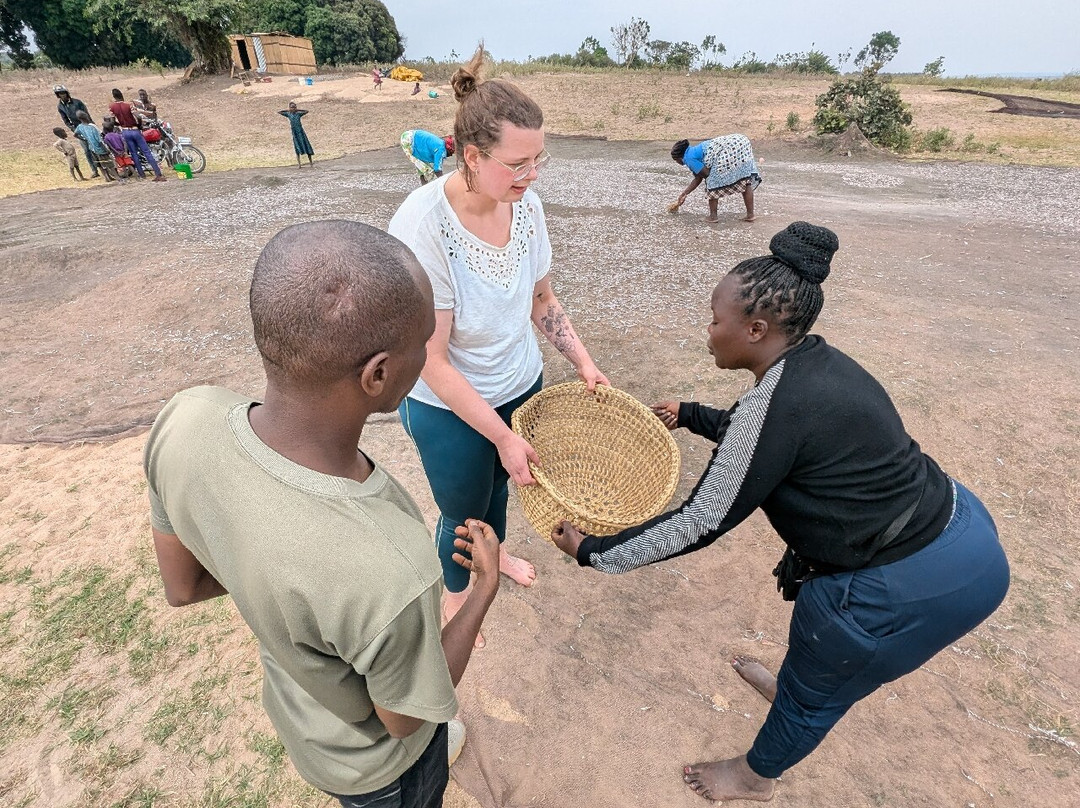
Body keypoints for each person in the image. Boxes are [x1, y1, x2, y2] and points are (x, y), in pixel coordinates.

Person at [551, 222, 1010, 804]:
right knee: (817, 652)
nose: (709, 330)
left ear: (756, 329)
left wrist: (594, 551)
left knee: (821, 678)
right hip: (955, 525)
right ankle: (793, 690)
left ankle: (755, 776)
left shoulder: (779, 402)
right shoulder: (816, 364)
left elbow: (700, 520)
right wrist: (692, 414)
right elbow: (771, 438)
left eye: (715, 319)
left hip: (918, 579)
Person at [144, 219, 501, 807]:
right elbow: (403, 721)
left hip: (307, 732)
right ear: (379, 373)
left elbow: (182, 588)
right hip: (381, 773)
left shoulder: (186, 417)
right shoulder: (390, 568)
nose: (430, 355)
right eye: (425, 343)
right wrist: (483, 586)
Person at [388, 45, 609, 649]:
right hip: (448, 405)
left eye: (538, 160)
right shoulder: (424, 226)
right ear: (471, 155)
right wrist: (502, 436)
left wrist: (583, 362)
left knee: (504, 489)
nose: (531, 175)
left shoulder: (526, 206)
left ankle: (497, 560)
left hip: (519, 382)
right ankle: (457, 597)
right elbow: (430, 359)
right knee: (463, 511)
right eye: (518, 163)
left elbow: (542, 300)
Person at [671, 135, 761, 223]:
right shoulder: (692, 151)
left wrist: (684, 193)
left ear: (679, 158)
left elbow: (705, 174)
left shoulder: (688, 158)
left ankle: (713, 217)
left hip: (729, 147)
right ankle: (750, 215)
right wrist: (685, 193)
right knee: (745, 180)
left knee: (711, 181)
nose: (676, 162)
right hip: (741, 141)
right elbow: (698, 177)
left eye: (675, 160)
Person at [108, 88, 165, 181]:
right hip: (135, 130)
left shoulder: (112, 107)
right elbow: (138, 116)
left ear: (114, 97)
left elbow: (112, 122)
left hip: (125, 131)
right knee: (146, 152)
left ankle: (142, 175)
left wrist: (121, 124)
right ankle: (158, 173)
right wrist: (139, 125)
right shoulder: (128, 104)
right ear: (121, 95)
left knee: (134, 154)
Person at [54, 85, 98, 179]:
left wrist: (90, 126)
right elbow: (65, 120)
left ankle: (103, 167)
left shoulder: (77, 102)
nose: (63, 95)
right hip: (78, 129)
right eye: (60, 94)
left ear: (67, 93)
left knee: (95, 147)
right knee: (87, 150)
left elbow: (86, 114)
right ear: (57, 95)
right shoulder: (60, 106)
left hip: (87, 126)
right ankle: (94, 170)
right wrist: (73, 129)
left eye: (64, 93)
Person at [74, 111, 119, 182]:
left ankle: (107, 177)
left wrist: (84, 139)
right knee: (109, 164)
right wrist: (106, 149)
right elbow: (99, 140)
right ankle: (118, 178)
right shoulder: (92, 127)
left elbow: (75, 134)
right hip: (100, 148)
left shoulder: (80, 127)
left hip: (92, 148)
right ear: (86, 116)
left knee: (100, 164)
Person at [279, 102, 314, 168]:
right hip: (294, 133)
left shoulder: (298, 114)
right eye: (292, 107)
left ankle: (311, 163)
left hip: (301, 132)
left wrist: (297, 110)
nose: (293, 108)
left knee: (306, 145)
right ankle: (299, 164)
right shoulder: (288, 114)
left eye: (294, 107)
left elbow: (306, 111)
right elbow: (280, 112)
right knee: (297, 147)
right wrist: (288, 110)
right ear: (289, 108)